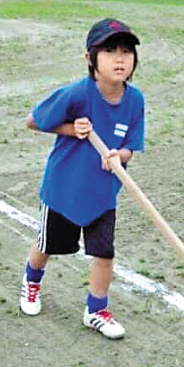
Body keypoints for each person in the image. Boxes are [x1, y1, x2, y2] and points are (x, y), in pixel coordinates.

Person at [19, 18, 145, 339]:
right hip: (64, 190)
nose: (120, 58)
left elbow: (132, 145)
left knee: (104, 253)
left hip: (103, 193)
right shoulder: (76, 94)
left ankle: (96, 309)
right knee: (47, 244)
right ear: (91, 59)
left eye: (127, 51)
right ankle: (31, 282)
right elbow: (33, 121)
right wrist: (70, 128)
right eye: (110, 50)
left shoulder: (135, 101)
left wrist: (120, 156)